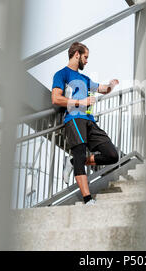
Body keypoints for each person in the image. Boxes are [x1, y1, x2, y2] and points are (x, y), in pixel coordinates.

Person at [51, 42, 120, 205]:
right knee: (80, 152)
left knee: (112, 155)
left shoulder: (85, 79)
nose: (87, 61)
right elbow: (55, 98)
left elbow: (103, 89)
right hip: (73, 119)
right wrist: (80, 101)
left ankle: (74, 162)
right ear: (76, 54)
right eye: (85, 57)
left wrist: (111, 85)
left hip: (90, 121)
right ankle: (88, 199)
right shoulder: (61, 74)